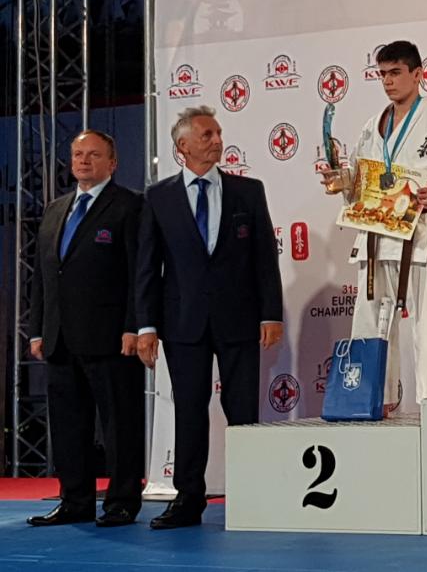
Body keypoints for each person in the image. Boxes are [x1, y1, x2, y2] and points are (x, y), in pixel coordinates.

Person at [135, 105, 284, 529]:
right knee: (188, 410)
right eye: (206, 135)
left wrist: (270, 313)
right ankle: (187, 499)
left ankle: (250, 496)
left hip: (240, 319)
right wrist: (146, 325)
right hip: (182, 323)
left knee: (243, 411)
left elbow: (264, 259)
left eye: (218, 133)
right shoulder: (158, 197)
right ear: (182, 146)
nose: (217, 140)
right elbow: (147, 266)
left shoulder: (248, 191)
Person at [320, 40, 427, 411]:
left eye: (395, 73)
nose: (388, 81)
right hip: (376, 233)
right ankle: (373, 398)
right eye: (382, 74)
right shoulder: (372, 126)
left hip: (419, 234)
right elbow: (359, 177)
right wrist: (342, 181)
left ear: (418, 74)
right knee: (370, 319)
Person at [27, 130, 145, 527]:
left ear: (112, 163)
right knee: (68, 426)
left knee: (119, 425)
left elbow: (139, 273)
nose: (83, 161)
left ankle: (122, 502)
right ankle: (75, 501)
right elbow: (43, 276)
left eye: (93, 154)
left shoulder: (129, 205)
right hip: (60, 338)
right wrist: (38, 330)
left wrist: (134, 326)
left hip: (112, 338)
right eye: (78, 154)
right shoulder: (55, 209)